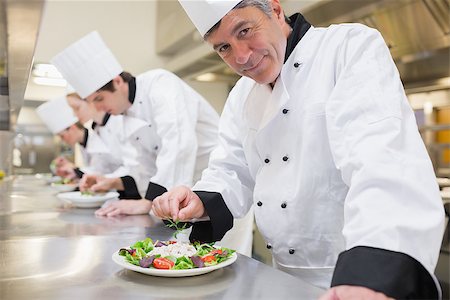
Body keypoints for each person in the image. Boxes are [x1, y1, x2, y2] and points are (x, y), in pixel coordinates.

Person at [150, 0, 446, 298]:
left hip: (358, 273)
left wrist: (372, 274)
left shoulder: (346, 48)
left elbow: (381, 159)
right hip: (283, 277)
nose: (241, 57)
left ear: (276, 11)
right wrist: (199, 200)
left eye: (244, 30)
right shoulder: (241, 95)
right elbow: (231, 170)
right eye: (223, 48)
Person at [36, 96, 118, 180]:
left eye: (62, 136)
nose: (63, 140)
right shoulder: (83, 144)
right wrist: (74, 169)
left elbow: (103, 170)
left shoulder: (98, 136)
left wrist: (75, 170)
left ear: (72, 128)